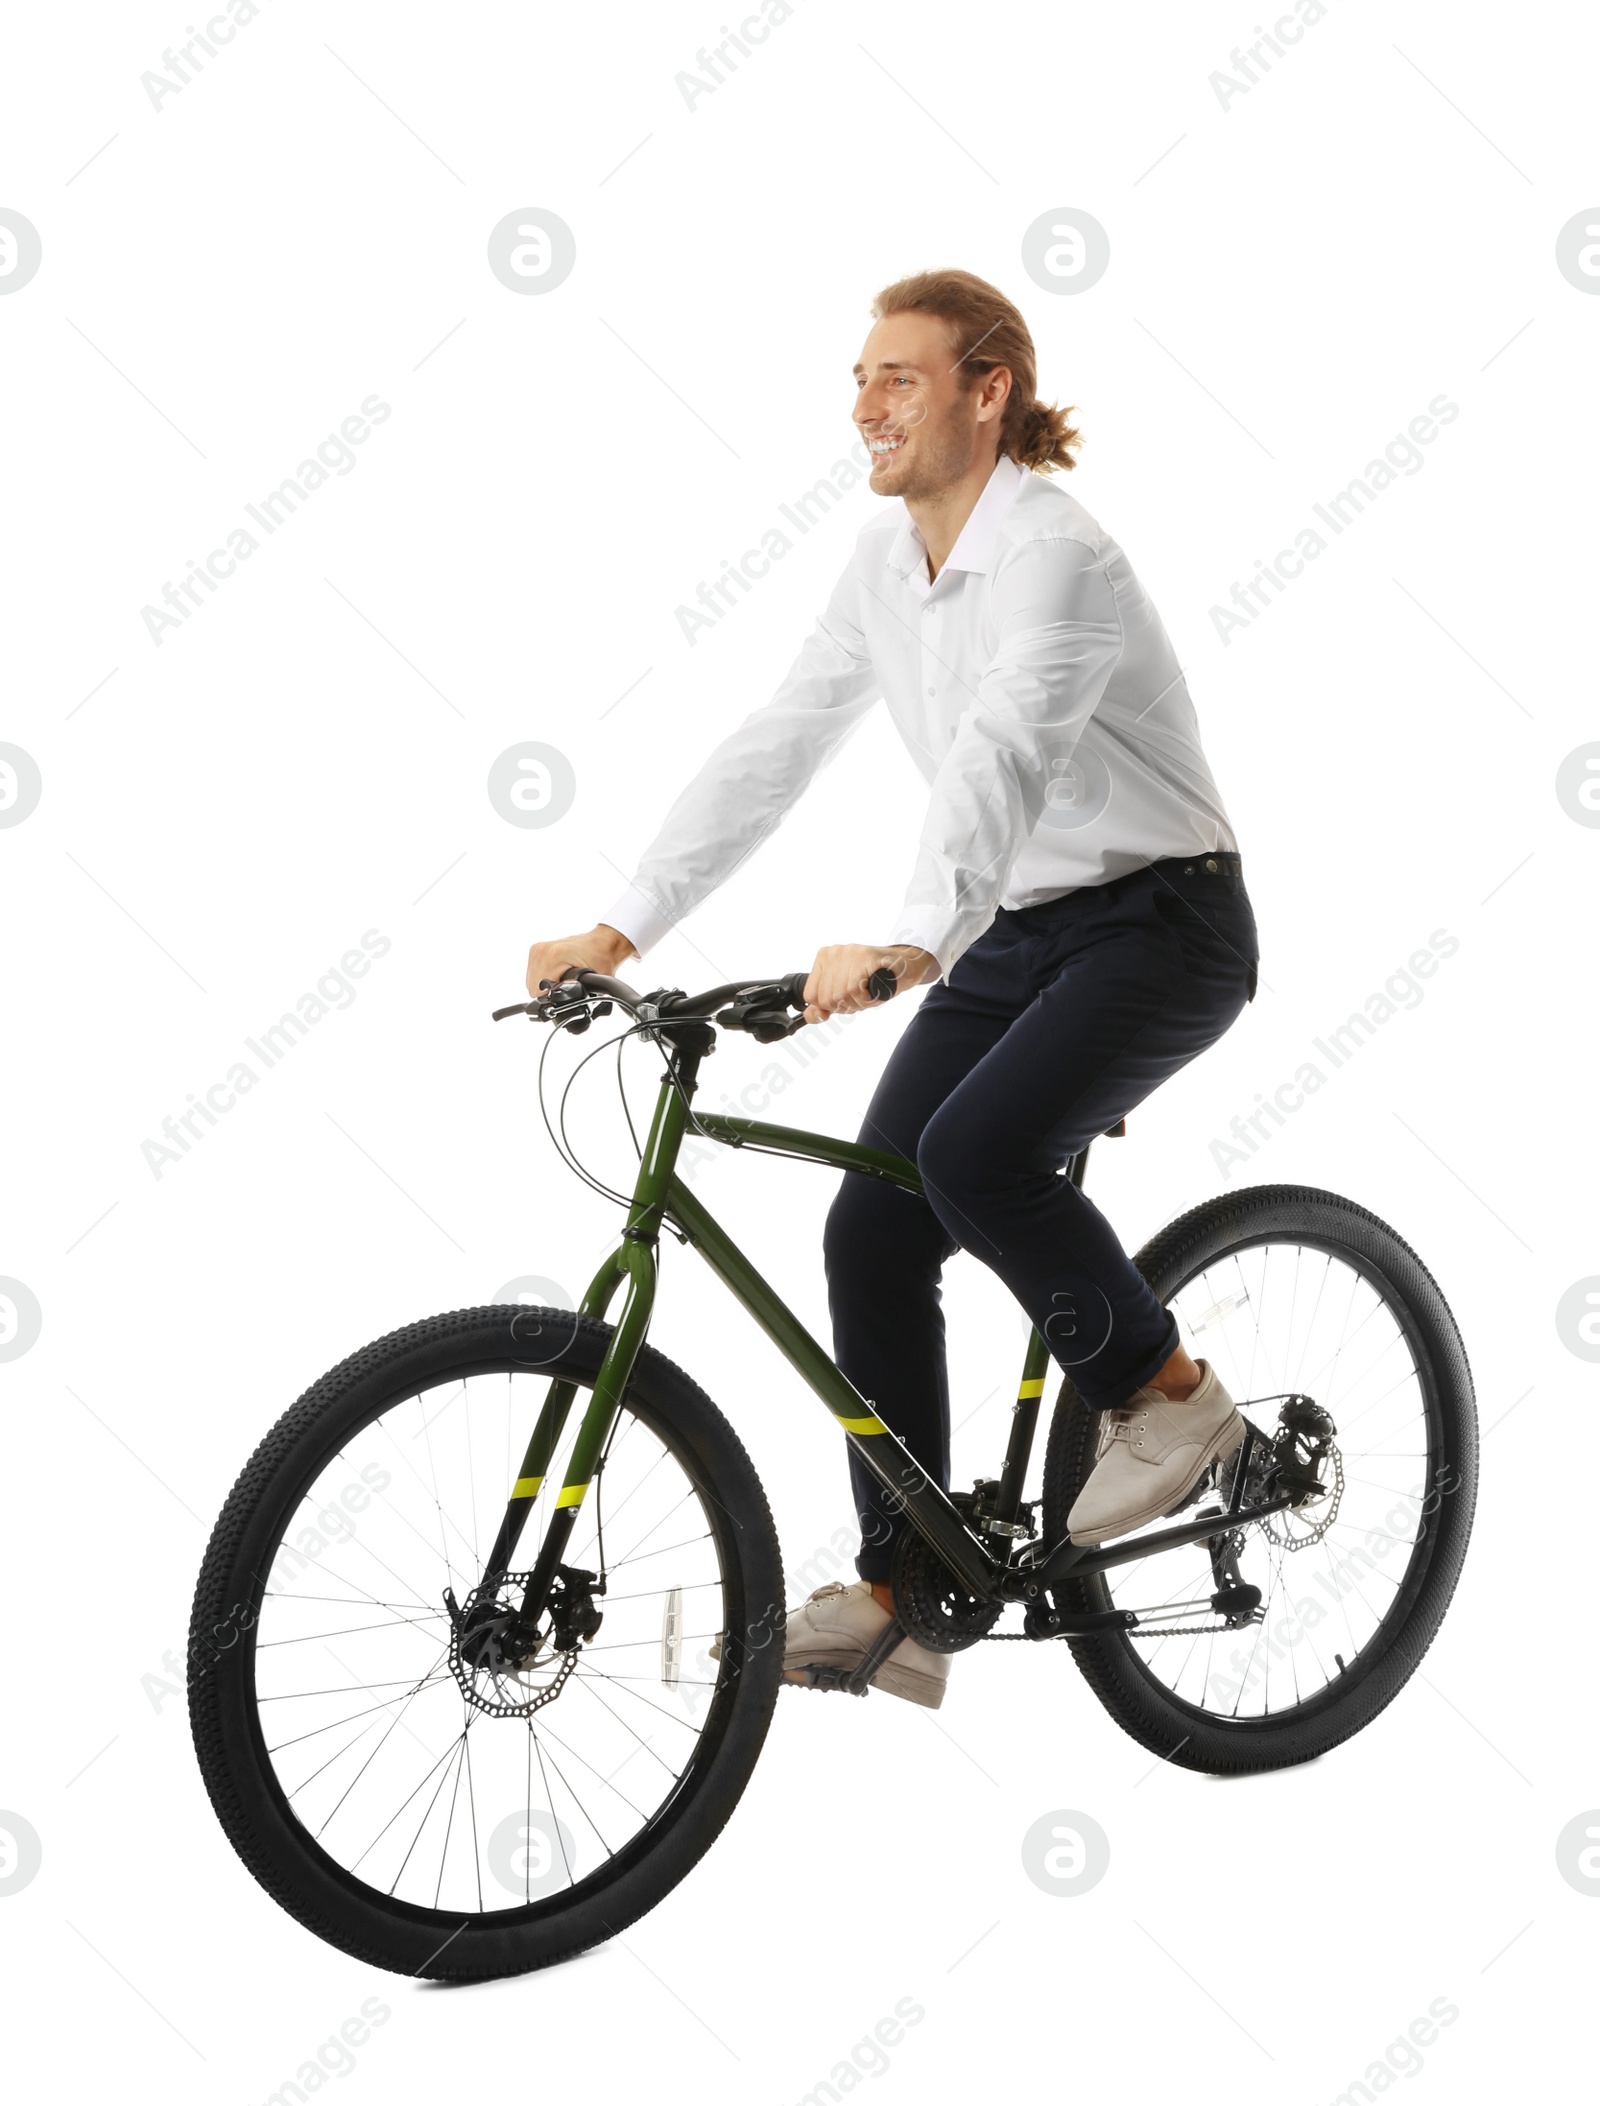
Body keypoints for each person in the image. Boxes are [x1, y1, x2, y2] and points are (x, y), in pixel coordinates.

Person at [524, 267, 1259, 1712]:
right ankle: (908, 1589)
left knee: (975, 1155)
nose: (866, 404)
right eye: (858, 379)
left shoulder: (1058, 557)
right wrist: (620, 927)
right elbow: (779, 739)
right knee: (872, 1220)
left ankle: (1174, 1400)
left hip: (1161, 923)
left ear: (991, 392)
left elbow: (1004, 750)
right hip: (1014, 933)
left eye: (901, 377)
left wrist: (914, 936)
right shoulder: (884, 566)